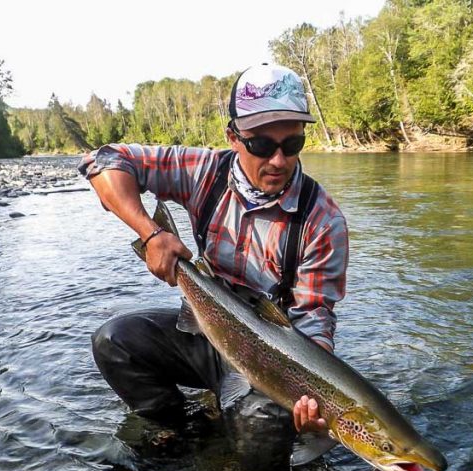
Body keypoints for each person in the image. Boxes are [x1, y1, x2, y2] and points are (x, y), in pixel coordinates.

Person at [78, 63, 348, 439]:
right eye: (261, 145)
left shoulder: (322, 220)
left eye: (292, 144)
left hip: (273, 359)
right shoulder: (204, 171)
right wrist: (151, 233)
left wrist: (315, 401)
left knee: (260, 426)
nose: (278, 161)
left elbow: (314, 319)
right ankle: (171, 434)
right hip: (209, 329)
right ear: (233, 137)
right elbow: (103, 161)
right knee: (114, 341)